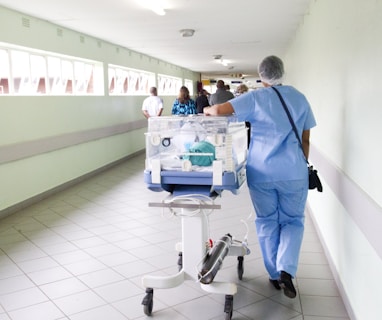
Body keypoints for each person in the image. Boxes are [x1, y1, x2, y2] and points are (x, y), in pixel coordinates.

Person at [204, 55, 316, 299]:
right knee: (293, 221)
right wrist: (299, 163)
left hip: (262, 172)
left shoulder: (255, 98)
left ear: (262, 75)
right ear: (282, 72)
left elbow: (219, 111)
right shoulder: (300, 98)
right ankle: (287, 269)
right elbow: (306, 139)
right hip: (294, 173)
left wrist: (207, 108)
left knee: (267, 221)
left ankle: (275, 275)